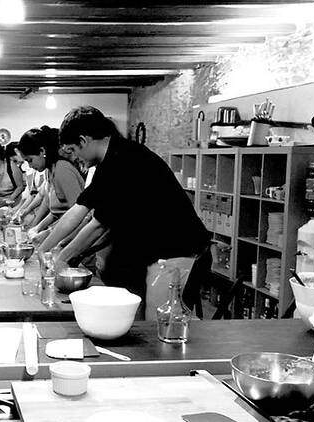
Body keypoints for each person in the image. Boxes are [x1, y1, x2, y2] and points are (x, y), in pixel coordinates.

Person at [40, 106, 210, 318]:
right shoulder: (111, 160)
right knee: (144, 321)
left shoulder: (125, 160)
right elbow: (81, 209)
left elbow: (97, 225)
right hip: (158, 252)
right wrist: (45, 249)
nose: (74, 158)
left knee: (160, 327)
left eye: (73, 151)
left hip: (179, 252)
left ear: (83, 141)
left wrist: (61, 258)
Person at [17, 126, 84, 237]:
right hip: (62, 231)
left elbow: (78, 215)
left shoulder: (62, 169)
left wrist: (48, 232)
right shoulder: (50, 170)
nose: (30, 166)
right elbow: (55, 212)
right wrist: (37, 228)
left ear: (42, 151)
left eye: (30, 160)